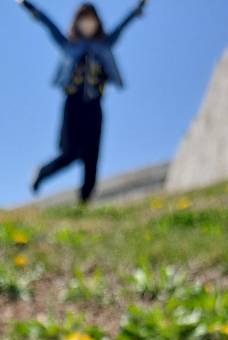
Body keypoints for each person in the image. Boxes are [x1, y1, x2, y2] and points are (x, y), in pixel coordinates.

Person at [16, 0, 149, 203]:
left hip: (95, 105)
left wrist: (138, 9)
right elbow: (48, 24)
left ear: (97, 23)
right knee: (69, 153)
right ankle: (42, 173)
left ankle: (85, 202)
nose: (87, 25)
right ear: (76, 23)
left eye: (91, 21)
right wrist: (29, 6)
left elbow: (124, 25)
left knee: (91, 155)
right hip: (73, 104)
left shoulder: (104, 44)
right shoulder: (69, 45)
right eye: (83, 21)